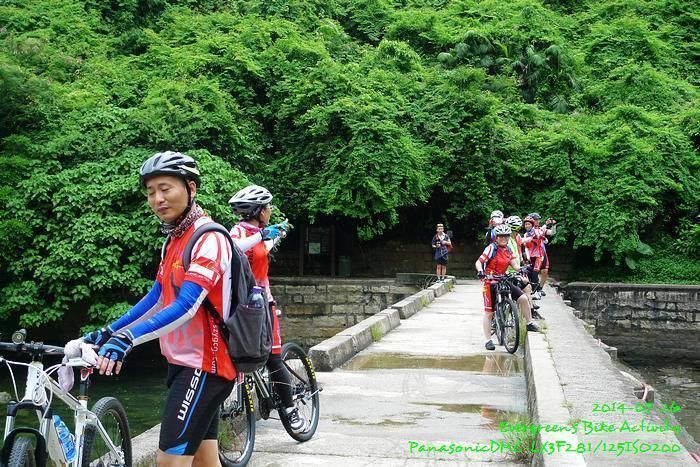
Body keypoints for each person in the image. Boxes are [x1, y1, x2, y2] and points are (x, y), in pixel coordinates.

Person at [82, 151, 236, 466]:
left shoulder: (209, 238)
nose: (157, 199)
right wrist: (108, 332)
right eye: (151, 192)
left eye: (165, 189)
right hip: (182, 363)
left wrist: (128, 339)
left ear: (191, 188)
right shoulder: (174, 240)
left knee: (168, 461)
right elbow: (156, 298)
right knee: (205, 460)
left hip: (206, 366)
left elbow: (186, 305)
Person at [227, 185, 303, 432]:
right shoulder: (238, 232)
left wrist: (276, 235)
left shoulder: (260, 234)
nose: (270, 210)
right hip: (241, 305)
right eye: (268, 207)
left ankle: (290, 409)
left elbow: (262, 250)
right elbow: (234, 250)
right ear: (259, 211)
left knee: (273, 357)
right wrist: (262, 235)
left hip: (263, 304)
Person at [475, 224, 540, 351]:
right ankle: (488, 340)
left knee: (523, 298)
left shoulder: (508, 249)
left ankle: (529, 323)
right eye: (501, 236)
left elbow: (514, 265)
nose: (503, 238)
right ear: (496, 237)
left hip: (503, 278)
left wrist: (521, 269)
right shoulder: (491, 248)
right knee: (489, 312)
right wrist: (480, 271)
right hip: (490, 281)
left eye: (506, 236)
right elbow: (479, 262)